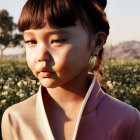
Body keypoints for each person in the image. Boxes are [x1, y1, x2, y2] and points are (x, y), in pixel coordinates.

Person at [1, 0, 140, 139]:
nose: (41, 56)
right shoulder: (15, 118)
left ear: (97, 42)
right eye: (31, 42)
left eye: (57, 40)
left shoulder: (127, 119)